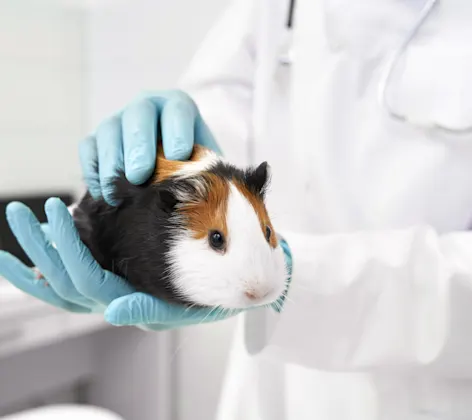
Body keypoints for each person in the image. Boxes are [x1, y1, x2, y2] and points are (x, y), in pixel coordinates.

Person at [2, 0, 472, 418]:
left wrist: (298, 272)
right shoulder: (273, 9)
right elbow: (215, 119)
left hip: (427, 391)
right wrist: (167, 138)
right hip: (271, 386)